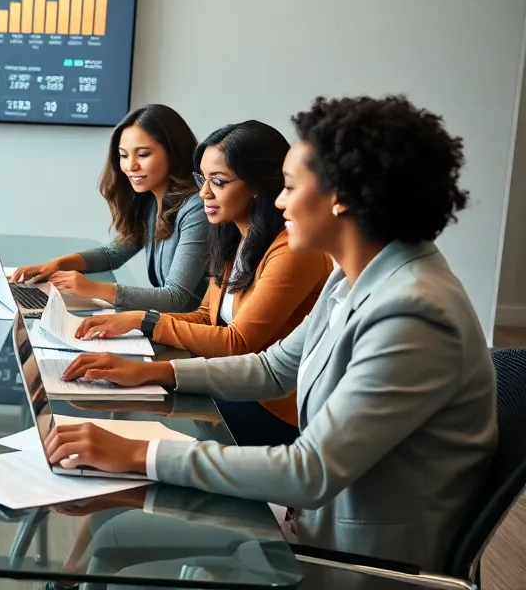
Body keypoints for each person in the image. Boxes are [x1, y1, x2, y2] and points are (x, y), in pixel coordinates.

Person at [45, 95, 496, 570]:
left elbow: (311, 470)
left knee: (116, 522)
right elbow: (274, 367)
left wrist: (138, 453)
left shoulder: (413, 312)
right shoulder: (353, 277)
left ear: (340, 196)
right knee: (109, 508)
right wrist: (153, 373)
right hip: (311, 517)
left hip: (349, 559)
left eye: (289, 187)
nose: (277, 201)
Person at [74, 121, 332, 445]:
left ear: (258, 186)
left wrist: (146, 320)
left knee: (148, 425)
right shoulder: (234, 236)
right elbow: (205, 316)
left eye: (219, 182)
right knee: (122, 401)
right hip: (236, 387)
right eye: (202, 179)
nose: (204, 193)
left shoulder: (291, 251)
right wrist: (134, 324)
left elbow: (239, 343)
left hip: (276, 411)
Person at [12, 104, 209, 312]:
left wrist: (94, 289)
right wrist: (58, 264)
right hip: (170, 325)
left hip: (193, 333)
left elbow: (174, 297)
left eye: (142, 155)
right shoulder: (151, 201)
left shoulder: (197, 208)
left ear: (174, 152)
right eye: (123, 155)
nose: (130, 166)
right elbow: (113, 253)